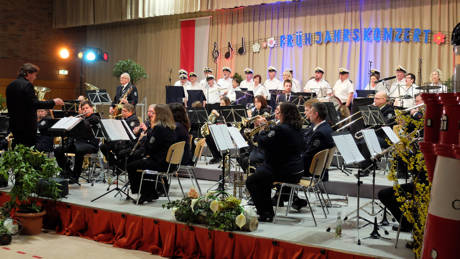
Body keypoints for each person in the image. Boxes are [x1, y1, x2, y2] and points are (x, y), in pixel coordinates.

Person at [246, 102, 305, 222]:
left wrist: (262, 129)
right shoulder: (297, 127)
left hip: (284, 170)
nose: (276, 114)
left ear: (285, 114)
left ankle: (265, 212)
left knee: (251, 181)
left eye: (278, 112)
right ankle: (266, 210)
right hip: (295, 169)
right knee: (261, 173)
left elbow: (263, 142)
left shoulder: (281, 128)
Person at [127, 104, 177, 204]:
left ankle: (145, 193)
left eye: (154, 113)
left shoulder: (158, 128)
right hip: (170, 163)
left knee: (131, 166)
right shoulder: (170, 127)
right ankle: (151, 192)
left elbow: (150, 149)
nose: (151, 115)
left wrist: (145, 138)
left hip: (161, 163)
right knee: (139, 162)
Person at [6, 63, 64, 147]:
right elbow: (35, 104)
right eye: (34, 75)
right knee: (28, 150)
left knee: (17, 149)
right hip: (27, 126)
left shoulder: (10, 85)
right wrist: (53, 101)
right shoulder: (27, 85)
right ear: (28, 73)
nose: (35, 77)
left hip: (14, 124)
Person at [54, 101, 101, 184]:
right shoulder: (82, 118)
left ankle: (75, 176)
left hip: (90, 144)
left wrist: (78, 120)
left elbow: (87, 123)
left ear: (91, 108)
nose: (85, 110)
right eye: (83, 109)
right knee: (58, 150)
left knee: (78, 150)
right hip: (78, 143)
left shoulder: (95, 117)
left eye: (87, 108)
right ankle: (68, 172)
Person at [100, 103, 140, 170]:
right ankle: (114, 164)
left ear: (130, 112)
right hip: (120, 140)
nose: (122, 112)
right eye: (122, 110)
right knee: (103, 146)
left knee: (118, 151)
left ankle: (118, 166)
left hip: (127, 143)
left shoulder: (134, 120)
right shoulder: (125, 119)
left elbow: (130, 134)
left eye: (124, 111)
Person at [302, 102, 334, 181]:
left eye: (310, 112)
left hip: (311, 170)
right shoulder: (325, 127)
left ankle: (284, 192)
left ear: (316, 114)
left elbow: (308, 155)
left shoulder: (320, 132)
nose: (308, 114)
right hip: (318, 169)